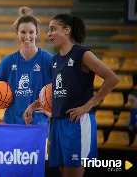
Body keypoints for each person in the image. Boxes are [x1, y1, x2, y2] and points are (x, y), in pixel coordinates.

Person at [25, 13, 119, 177]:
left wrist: (88, 105)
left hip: (77, 122)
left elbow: (112, 78)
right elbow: (54, 92)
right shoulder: (54, 61)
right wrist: (32, 107)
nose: (49, 34)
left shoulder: (82, 54)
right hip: (58, 123)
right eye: (49, 30)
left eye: (53, 29)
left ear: (67, 30)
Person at [0, 6, 52, 132]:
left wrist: (51, 111)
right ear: (17, 33)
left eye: (31, 32)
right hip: (11, 124)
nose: (27, 36)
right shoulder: (8, 61)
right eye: (23, 32)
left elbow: (62, 88)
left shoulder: (48, 60)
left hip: (37, 125)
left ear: (37, 33)